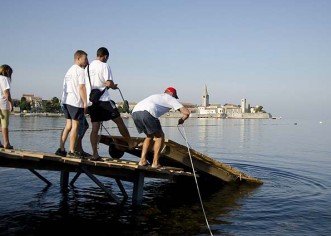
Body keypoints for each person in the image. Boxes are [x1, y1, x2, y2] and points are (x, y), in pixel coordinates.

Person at [86, 47, 134, 160]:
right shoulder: (104, 65)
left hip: (92, 101)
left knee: (95, 128)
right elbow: (108, 83)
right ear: (105, 56)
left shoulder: (88, 67)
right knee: (119, 121)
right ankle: (130, 143)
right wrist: (114, 86)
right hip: (104, 100)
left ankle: (94, 154)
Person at [132, 87, 190, 168]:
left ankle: (142, 161)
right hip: (148, 112)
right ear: (172, 94)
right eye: (175, 97)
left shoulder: (157, 96)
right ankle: (155, 163)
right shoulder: (170, 98)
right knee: (159, 137)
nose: (175, 98)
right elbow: (186, 112)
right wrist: (182, 119)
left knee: (149, 136)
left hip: (135, 113)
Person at [55, 50, 89, 158]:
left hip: (66, 101)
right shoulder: (80, 71)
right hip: (75, 102)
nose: (86, 61)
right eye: (85, 59)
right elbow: (81, 87)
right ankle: (71, 151)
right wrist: (85, 103)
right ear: (78, 58)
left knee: (68, 126)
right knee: (75, 127)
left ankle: (61, 148)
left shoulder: (69, 71)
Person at [0, 64, 14, 149]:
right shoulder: (5, 79)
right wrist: (11, 103)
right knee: (4, 124)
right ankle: (6, 143)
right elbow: (7, 93)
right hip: (3, 104)